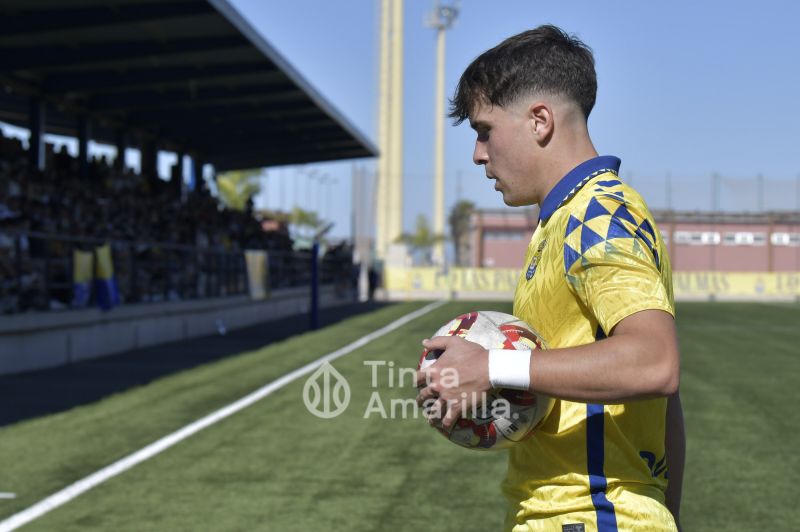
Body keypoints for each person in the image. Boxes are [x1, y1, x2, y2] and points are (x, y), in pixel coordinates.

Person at [416, 25, 684, 532]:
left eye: (484, 130)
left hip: (592, 516)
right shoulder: (563, 220)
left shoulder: (598, 215)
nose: (478, 153)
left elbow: (655, 363)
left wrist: (492, 366)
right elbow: (666, 403)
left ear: (539, 121)